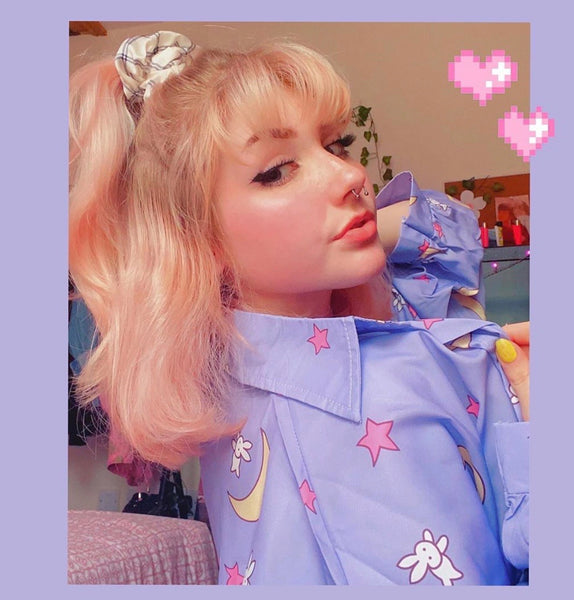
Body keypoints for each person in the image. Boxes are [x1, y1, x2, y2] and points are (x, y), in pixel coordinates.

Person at [69, 31, 529, 585]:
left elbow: (431, 236)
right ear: (196, 240)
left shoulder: (233, 379)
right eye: (276, 171)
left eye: (336, 145)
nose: (352, 176)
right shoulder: (364, 403)